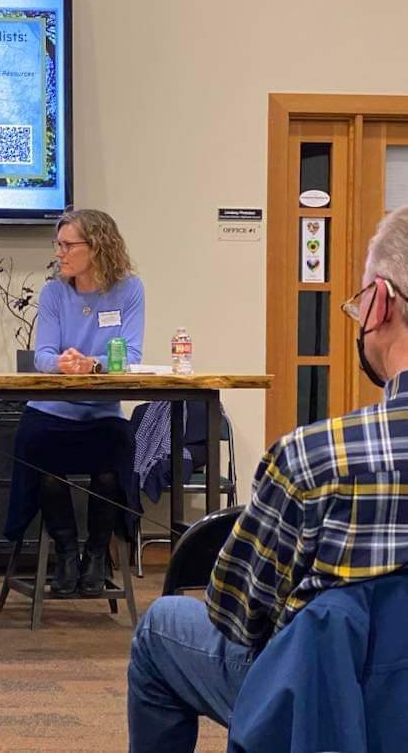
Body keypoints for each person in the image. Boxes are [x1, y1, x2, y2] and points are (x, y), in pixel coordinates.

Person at [127, 205, 408, 752]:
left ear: (380, 303)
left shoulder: (313, 460)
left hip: (324, 712)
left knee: (162, 626)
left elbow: (237, 614)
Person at [4, 209, 144, 598]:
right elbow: (43, 355)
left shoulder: (129, 290)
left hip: (101, 412)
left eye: (68, 245)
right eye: (58, 244)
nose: (59, 253)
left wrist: (93, 365)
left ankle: (96, 555)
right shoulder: (54, 292)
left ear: (96, 246)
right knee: (39, 455)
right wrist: (64, 363)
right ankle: (66, 553)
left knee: (114, 461)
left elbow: (132, 355)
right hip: (51, 411)